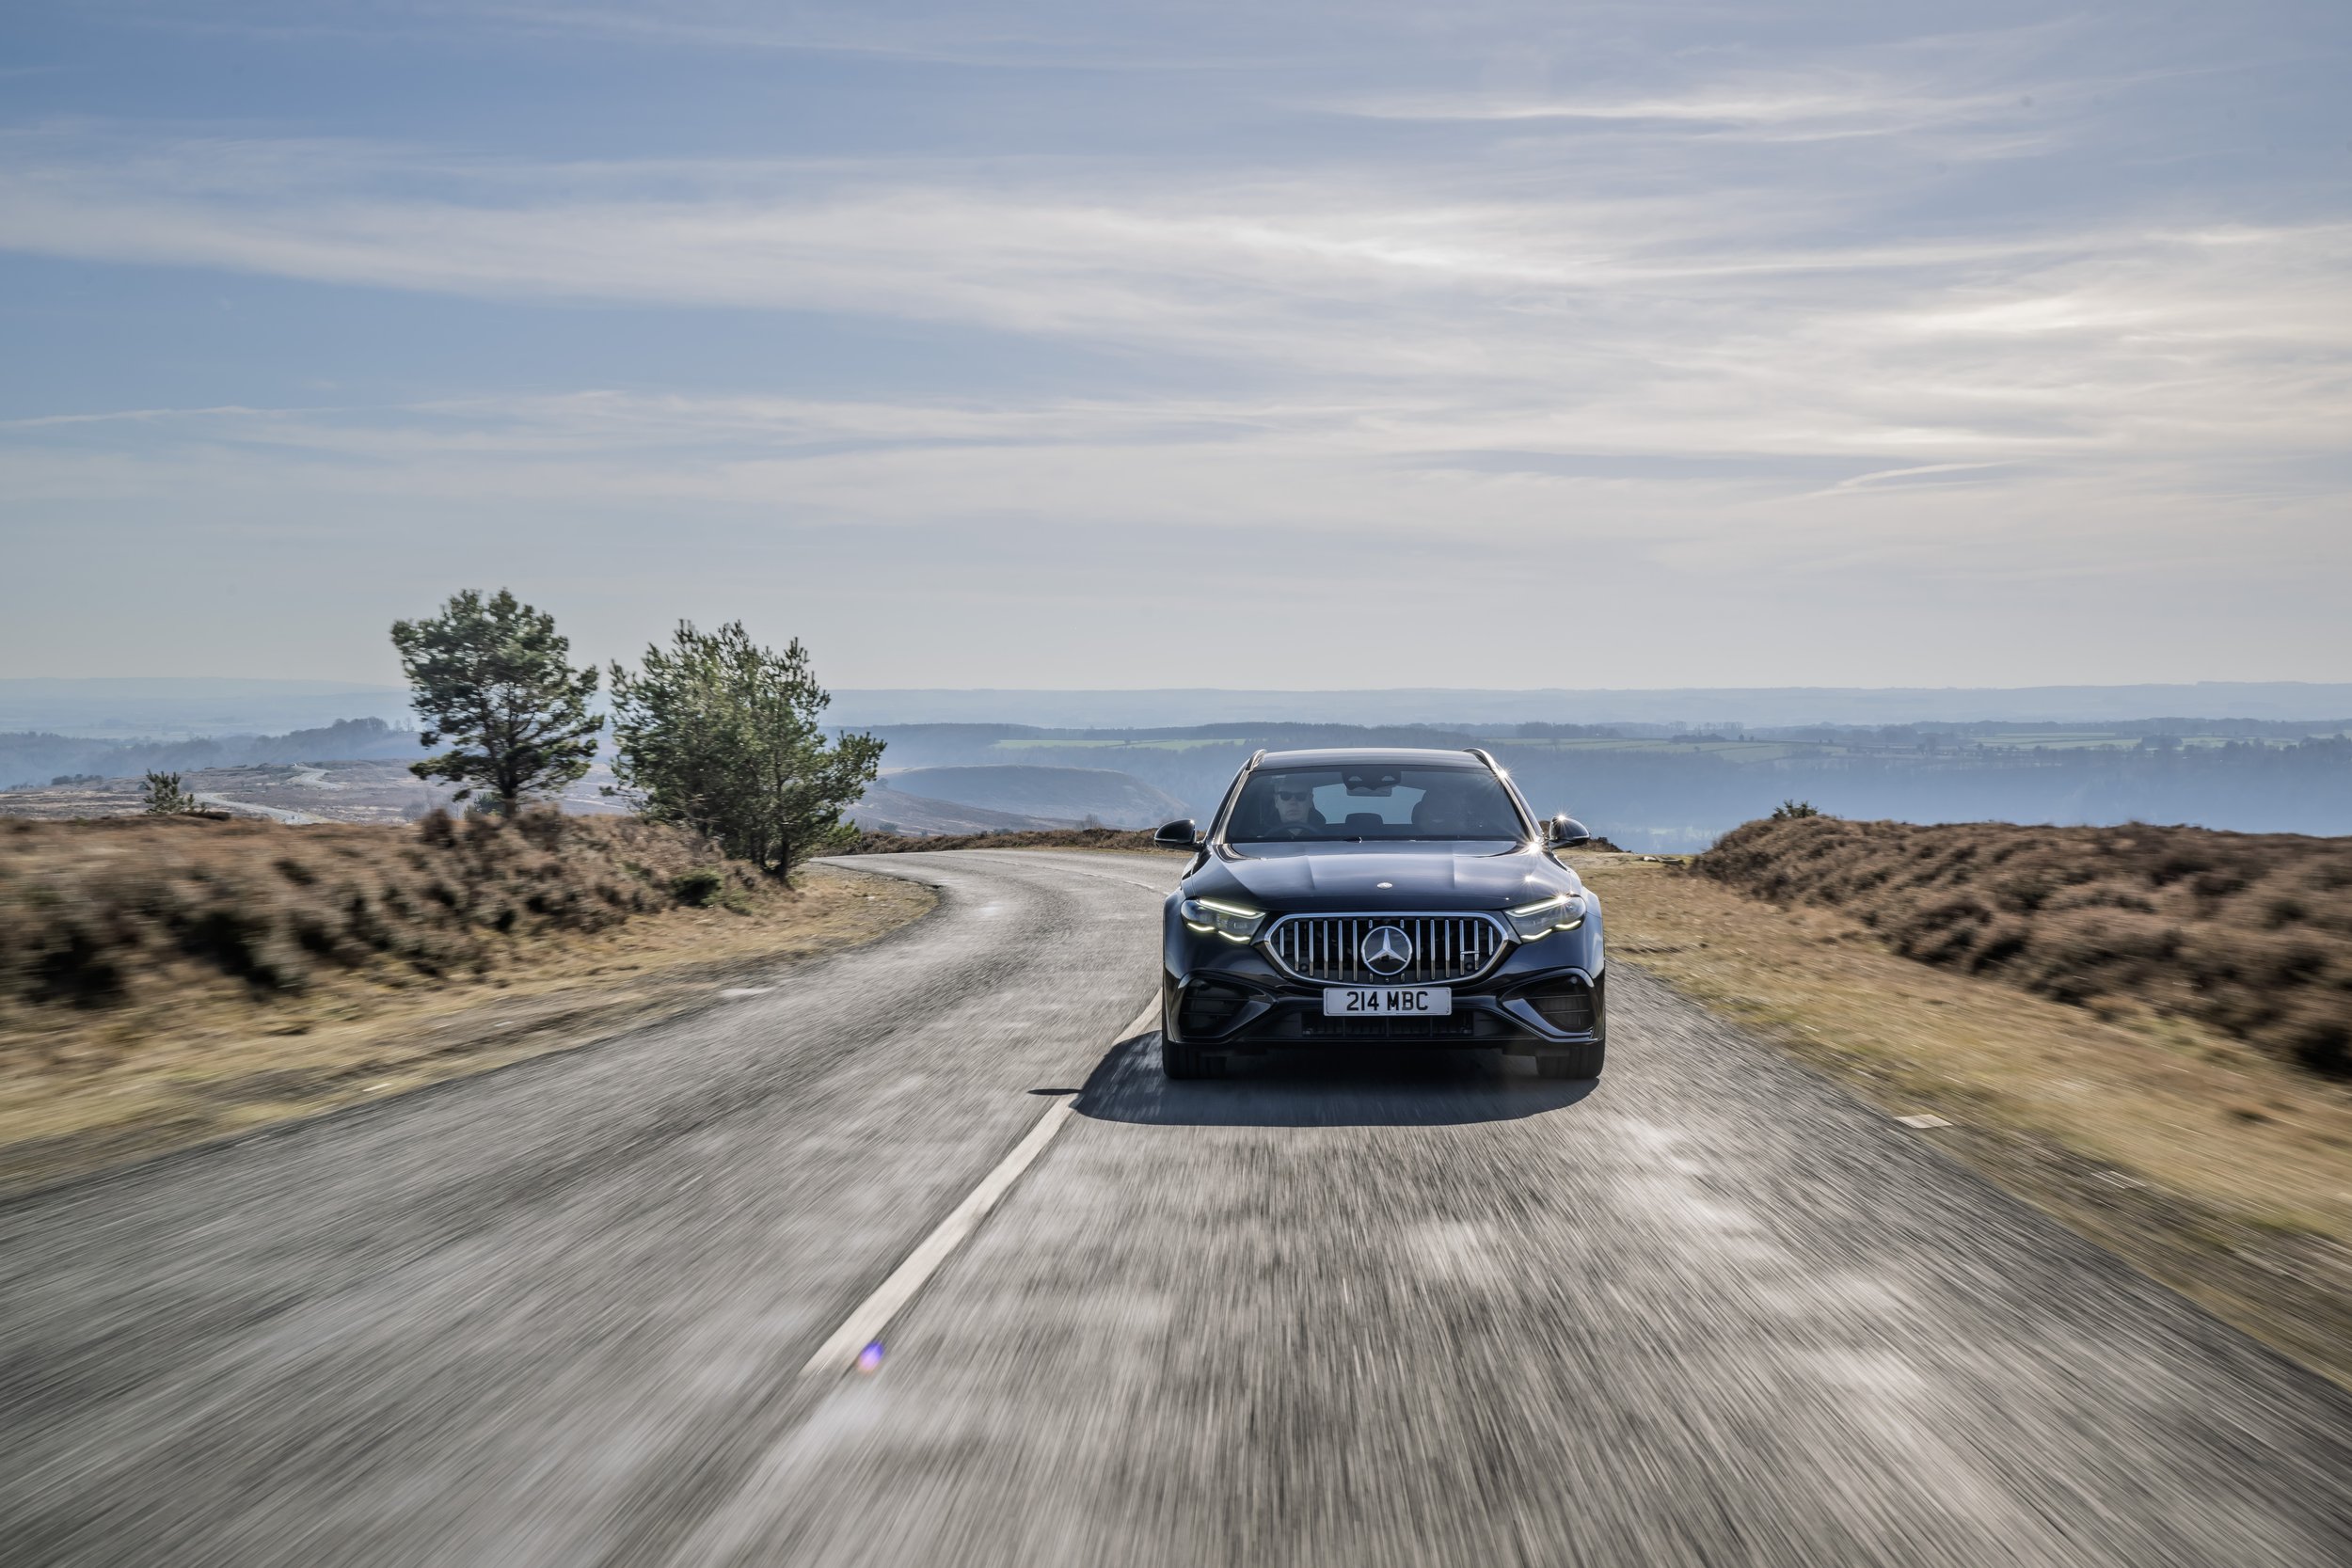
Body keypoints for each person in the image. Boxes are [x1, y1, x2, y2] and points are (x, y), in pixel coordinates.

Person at [1260, 781, 1325, 838]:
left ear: (1310, 800)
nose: (1293, 802)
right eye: (1285, 795)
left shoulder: (1329, 836)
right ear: (1276, 801)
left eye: (1300, 796)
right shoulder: (1258, 839)